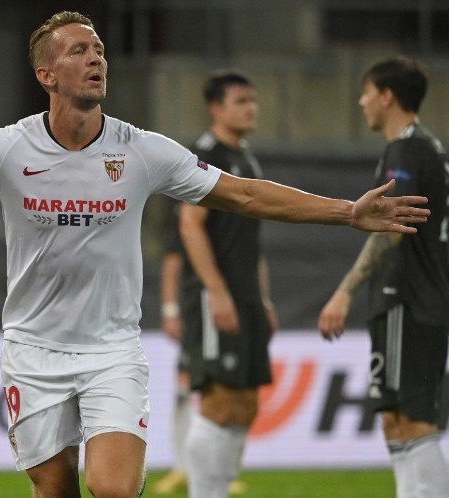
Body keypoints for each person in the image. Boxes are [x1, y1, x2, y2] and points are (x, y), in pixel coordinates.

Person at [0, 11, 430, 498]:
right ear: (47, 75)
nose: (96, 58)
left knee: (113, 487)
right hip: (32, 350)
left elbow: (241, 194)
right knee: (55, 489)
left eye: (99, 49)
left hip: (112, 349)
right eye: (77, 50)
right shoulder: (2, 148)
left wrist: (344, 211)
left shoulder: (143, 150)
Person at [318, 56, 449, 498]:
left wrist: (343, 291)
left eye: (367, 92)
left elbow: (390, 231)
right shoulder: (422, 149)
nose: (361, 102)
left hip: (407, 299)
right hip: (412, 300)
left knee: (412, 418)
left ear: (387, 96)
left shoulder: (408, 150)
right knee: (396, 417)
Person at [178, 70, 276, 498]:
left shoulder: (247, 159)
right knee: (219, 402)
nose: (250, 108)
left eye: (253, 100)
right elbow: (190, 224)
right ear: (216, 108)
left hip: (247, 294)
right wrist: (216, 291)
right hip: (214, 296)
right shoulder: (205, 155)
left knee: (246, 404)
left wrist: (263, 297)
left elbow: (253, 243)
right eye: (240, 101)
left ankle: (218, 488)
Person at [152, 198, 190, 495]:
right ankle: (181, 467)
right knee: (186, 387)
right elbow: (173, 260)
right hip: (195, 308)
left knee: (226, 393)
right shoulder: (187, 210)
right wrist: (170, 310)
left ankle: (218, 468)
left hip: (234, 306)